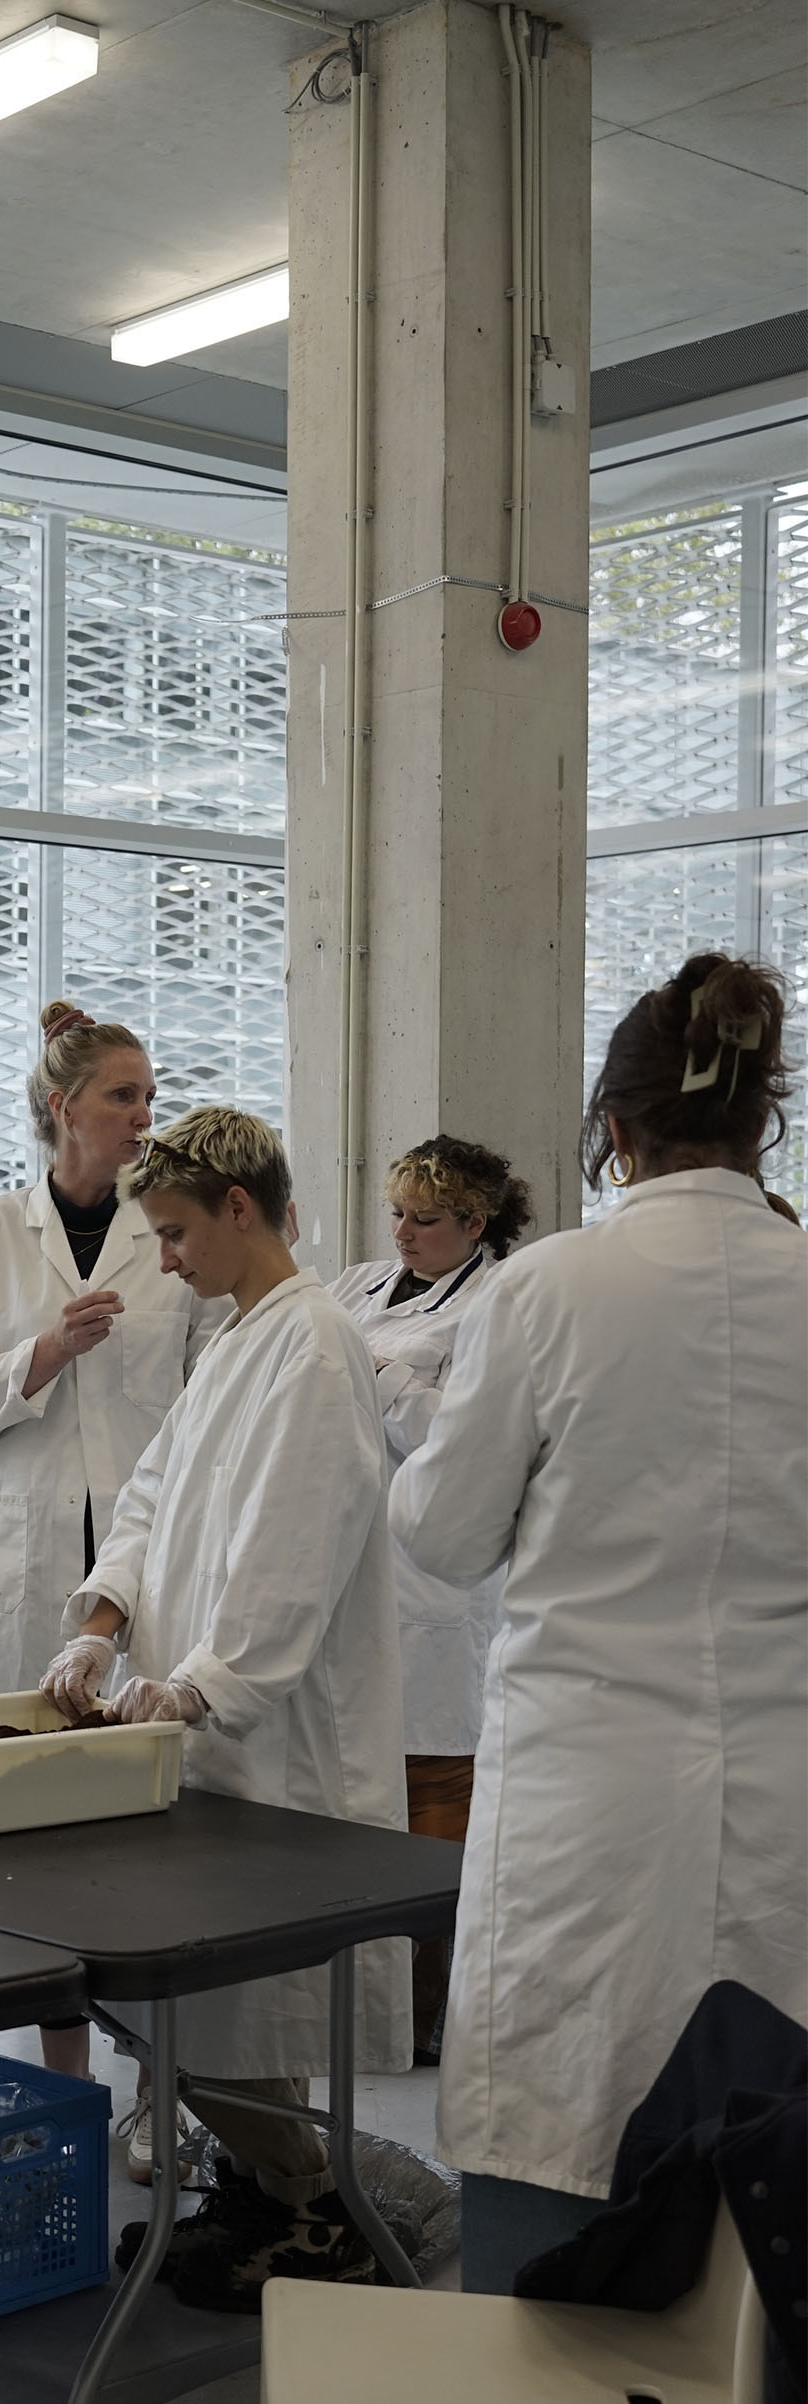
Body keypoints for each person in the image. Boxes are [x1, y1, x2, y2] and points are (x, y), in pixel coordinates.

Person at [391, 955, 807, 2295]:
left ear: (612, 1133)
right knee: (767, 2176)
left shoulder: (546, 1290)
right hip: (781, 1792)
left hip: (585, 1798)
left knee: (561, 2151)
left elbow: (444, 1536)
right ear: (763, 1121)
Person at [42, 1106, 411, 2309]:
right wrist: (102, 1617)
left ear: (240, 1210)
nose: (164, 1260)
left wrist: (207, 1681)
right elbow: (155, 1493)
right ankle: (278, 2196)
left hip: (273, 1738)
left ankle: (311, 2218)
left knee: (243, 2011)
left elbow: (294, 1546)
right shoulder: (237, 1336)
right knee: (207, 2014)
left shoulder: (313, 1347)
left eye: (175, 1233)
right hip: (201, 1727)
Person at [0, 1002, 223, 2105]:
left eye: (150, 1094)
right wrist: (40, 1353)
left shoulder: (173, 1230)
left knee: (148, 1831)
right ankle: (64, 2084)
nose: (147, 1116)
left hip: (150, 1554)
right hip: (25, 1555)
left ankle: (159, 2096)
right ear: (64, 1109)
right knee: (34, 1833)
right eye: (124, 1097)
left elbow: (214, 1384)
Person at [328, 1136, 534, 2062]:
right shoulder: (355, 1286)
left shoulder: (504, 1302)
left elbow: (461, 1438)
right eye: (398, 1212)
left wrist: (374, 1379)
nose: (404, 1233)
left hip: (437, 1585)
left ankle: (419, 2020)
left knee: (432, 1799)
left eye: (427, 1219)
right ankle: (353, 2003)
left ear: (475, 1224)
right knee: (354, 1791)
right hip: (350, 1559)